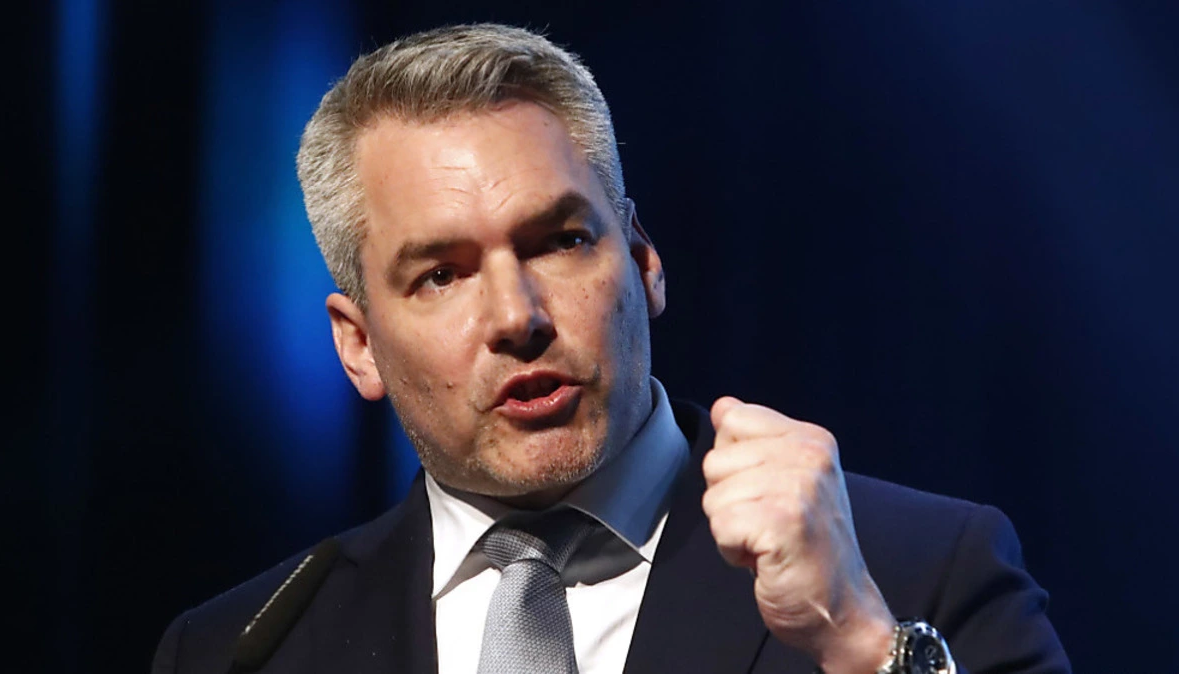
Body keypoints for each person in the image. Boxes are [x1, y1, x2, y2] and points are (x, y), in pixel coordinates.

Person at [152, 23, 1070, 674]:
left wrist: (862, 646)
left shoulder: (919, 570)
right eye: (442, 275)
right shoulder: (243, 650)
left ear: (642, 262)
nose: (517, 315)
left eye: (560, 241)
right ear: (358, 345)